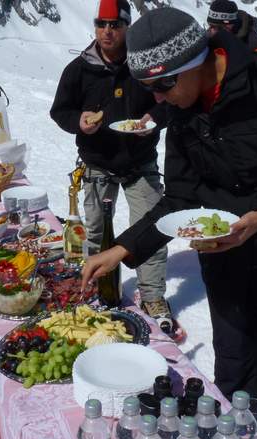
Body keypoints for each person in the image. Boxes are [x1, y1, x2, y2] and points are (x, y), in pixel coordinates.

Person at [82, 8, 257, 439]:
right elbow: (179, 199)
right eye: (148, 88)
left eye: (163, 85)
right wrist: (121, 250)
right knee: (235, 391)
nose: (158, 99)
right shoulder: (181, 113)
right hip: (231, 268)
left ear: (196, 62)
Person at [50, 0, 177, 338]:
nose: (107, 31)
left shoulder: (142, 66)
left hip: (139, 162)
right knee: (93, 233)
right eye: (101, 23)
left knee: (152, 229)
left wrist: (153, 120)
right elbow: (59, 110)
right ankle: (95, 290)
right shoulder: (79, 69)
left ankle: (152, 297)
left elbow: (168, 100)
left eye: (115, 25)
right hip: (96, 163)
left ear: (127, 28)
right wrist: (79, 122)